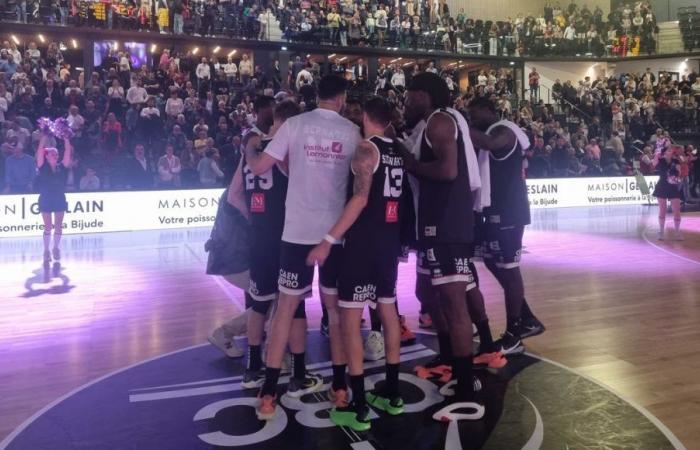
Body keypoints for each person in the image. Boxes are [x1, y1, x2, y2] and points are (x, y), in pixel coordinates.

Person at [244, 75, 361, 420]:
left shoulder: (294, 124)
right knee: (335, 311)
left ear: (317, 96)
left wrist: (251, 147)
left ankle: (268, 393)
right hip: (334, 235)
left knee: (285, 309)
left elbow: (261, 165)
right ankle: (340, 387)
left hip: (296, 232)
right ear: (341, 98)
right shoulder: (352, 132)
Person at [307, 97, 405, 431]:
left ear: (364, 116)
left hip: (363, 244)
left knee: (350, 321)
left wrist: (328, 240)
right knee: (388, 313)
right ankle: (393, 395)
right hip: (389, 243)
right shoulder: (397, 150)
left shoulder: (367, 148)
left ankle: (359, 405)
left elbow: (360, 198)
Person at [399, 72, 483, 419]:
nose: (405, 101)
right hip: (443, 225)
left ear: (423, 95)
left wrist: (411, 164)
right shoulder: (436, 122)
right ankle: (453, 365)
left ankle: (465, 386)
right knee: (442, 302)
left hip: (447, 225)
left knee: (453, 303)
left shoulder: (438, 122)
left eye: (409, 95)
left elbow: (448, 171)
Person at [225, 99, 301, 387]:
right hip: (286, 237)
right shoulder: (285, 152)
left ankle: (253, 365)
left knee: (258, 305)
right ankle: (291, 363)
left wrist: (254, 219)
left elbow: (233, 195)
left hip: (258, 239)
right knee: (291, 305)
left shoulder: (250, 150)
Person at [468, 97, 545, 356]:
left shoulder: (505, 131)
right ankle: (527, 318)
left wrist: (457, 124)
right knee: (491, 262)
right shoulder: (494, 130)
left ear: (490, 111)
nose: (472, 118)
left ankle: (514, 334)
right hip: (494, 210)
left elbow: (489, 144)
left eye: (475, 113)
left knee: (510, 271)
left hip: (509, 211)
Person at [35, 134, 73, 264]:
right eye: (52, 154)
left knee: (58, 226)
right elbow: (40, 150)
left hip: (59, 198)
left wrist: (66, 137)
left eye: (56, 154)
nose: (55, 156)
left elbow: (68, 151)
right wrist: (44, 136)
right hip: (46, 198)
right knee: (47, 226)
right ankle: (46, 250)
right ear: (47, 156)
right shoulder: (42, 166)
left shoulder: (62, 167)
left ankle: (56, 248)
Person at [652, 145, 684, 240]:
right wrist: (656, 155)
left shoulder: (676, 161)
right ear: (664, 152)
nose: (671, 151)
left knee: (677, 210)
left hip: (673, 186)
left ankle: (677, 232)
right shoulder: (660, 160)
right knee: (663, 209)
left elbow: (679, 172)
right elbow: (653, 164)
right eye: (668, 150)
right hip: (662, 186)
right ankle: (661, 231)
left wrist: (675, 178)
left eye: (671, 150)